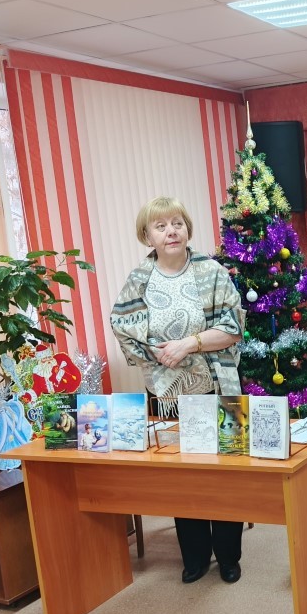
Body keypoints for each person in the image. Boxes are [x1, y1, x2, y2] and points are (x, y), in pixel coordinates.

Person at [111, 196, 246, 585]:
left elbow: (234, 327)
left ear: (187, 229)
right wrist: (155, 354)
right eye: (161, 226)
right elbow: (122, 325)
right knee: (182, 474)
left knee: (227, 473)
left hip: (219, 387)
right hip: (167, 395)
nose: (171, 231)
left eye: (177, 223)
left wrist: (190, 344)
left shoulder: (211, 272)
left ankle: (229, 556)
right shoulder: (139, 279)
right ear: (147, 236)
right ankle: (195, 556)